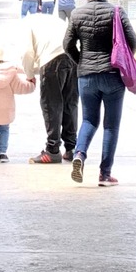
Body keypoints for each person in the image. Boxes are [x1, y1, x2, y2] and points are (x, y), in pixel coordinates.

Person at [64, 0, 136, 186]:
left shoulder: (77, 14)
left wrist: (82, 62)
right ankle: (105, 174)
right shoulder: (117, 12)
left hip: (86, 76)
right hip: (113, 75)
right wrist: (120, 61)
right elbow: (133, 42)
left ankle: (79, 155)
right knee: (111, 126)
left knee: (89, 120)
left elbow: (67, 45)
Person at [31, 14, 79, 164]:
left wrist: (29, 74)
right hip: (72, 58)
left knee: (52, 105)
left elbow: (27, 53)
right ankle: (72, 148)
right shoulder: (57, 21)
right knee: (70, 103)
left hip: (51, 61)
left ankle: (52, 150)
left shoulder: (28, 26)